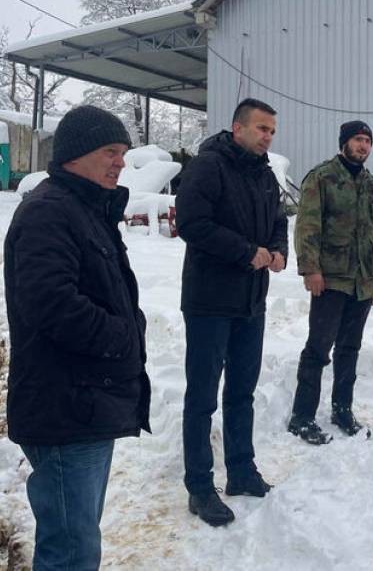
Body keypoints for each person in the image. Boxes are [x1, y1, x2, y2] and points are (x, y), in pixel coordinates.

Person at [4, 105, 150, 570]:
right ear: (74, 154)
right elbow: (53, 305)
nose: (120, 162)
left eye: (124, 153)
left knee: (77, 537)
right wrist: (125, 337)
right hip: (65, 409)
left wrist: (129, 329)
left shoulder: (83, 209)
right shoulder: (49, 213)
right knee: (70, 551)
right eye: (110, 151)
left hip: (84, 404)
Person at [176, 97, 287, 527]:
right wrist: (247, 253)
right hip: (209, 302)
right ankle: (200, 486)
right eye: (262, 129)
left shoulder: (265, 173)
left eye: (272, 131)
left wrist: (278, 251)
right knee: (201, 397)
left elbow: (279, 220)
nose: (268, 137)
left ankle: (241, 470)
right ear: (237, 128)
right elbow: (192, 223)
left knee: (242, 392)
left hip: (250, 301)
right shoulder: (209, 166)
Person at [289, 120, 373, 445]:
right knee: (318, 349)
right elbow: (307, 227)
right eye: (358, 140)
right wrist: (310, 270)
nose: (363, 146)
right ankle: (302, 416)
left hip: (362, 282)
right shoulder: (321, 177)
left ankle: (342, 409)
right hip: (331, 280)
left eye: (367, 140)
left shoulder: (371, 184)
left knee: (349, 349)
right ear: (344, 143)